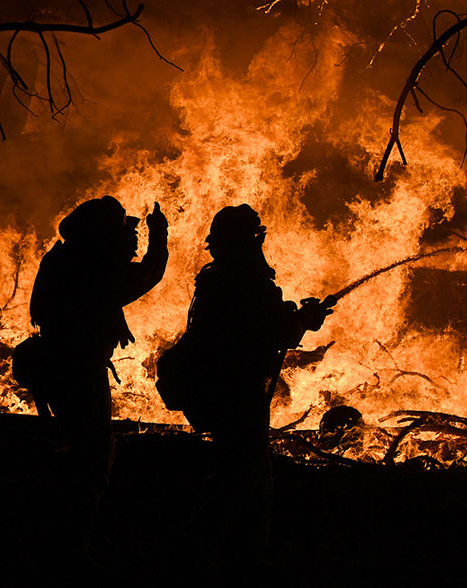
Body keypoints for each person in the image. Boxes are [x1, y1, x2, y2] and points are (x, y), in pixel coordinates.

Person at [172, 204, 331, 567]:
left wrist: (296, 318)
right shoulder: (247, 281)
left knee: (233, 476)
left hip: (219, 388)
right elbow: (277, 331)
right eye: (256, 237)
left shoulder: (216, 278)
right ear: (250, 240)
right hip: (238, 395)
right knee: (249, 485)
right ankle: (237, 562)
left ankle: (219, 555)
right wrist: (305, 319)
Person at [27, 195, 168, 543]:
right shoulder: (85, 269)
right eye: (121, 229)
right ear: (100, 235)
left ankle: (60, 541)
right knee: (90, 462)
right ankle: (69, 548)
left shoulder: (69, 258)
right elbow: (143, 275)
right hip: (77, 374)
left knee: (78, 456)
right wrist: (159, 238)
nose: (129, 235)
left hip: (66, 369)